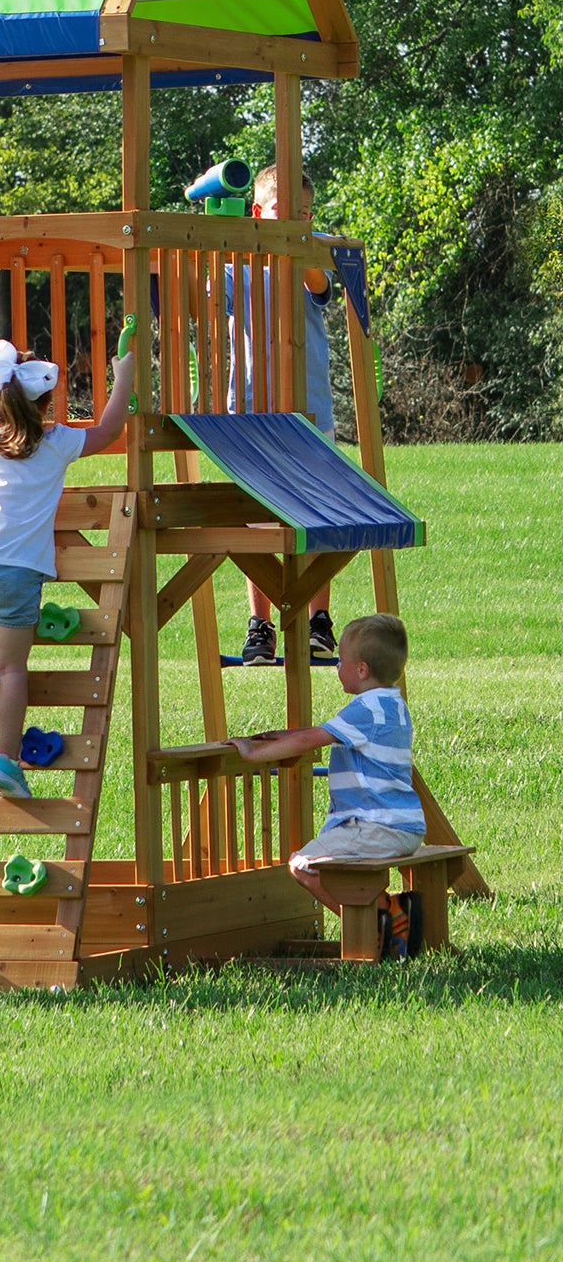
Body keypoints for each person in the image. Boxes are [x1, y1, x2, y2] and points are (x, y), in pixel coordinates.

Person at [0, 337, 135, 799]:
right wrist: (124, 379)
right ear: (43, 402)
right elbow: (109, 430)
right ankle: (6, 759)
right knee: (13, 669)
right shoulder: (55, 444)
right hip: (17, 571)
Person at [227, 613, 424, 917]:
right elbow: (314, 732)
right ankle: (391, 913)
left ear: (361, 670)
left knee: (303, 865)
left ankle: (376, 925)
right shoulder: (393, 705)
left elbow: (311, 740)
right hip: (402, 824)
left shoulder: (366, 708)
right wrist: (277, 736)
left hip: (375, 827)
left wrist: (252, 754)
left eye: (341, 661)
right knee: (327, 866)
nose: (336, 666)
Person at [237, 163, 338, 665]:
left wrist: (298, 242)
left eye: (306, 213)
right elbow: (204, 298)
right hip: (254, 418)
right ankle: (261, 624)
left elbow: (321, 284)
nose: (299, 221)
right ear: (257, 213)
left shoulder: (309, 257)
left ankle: (319, 619)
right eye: (285, 214)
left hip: (311, 412)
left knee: (318, 515)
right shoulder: (237, 267)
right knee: (257, 520)